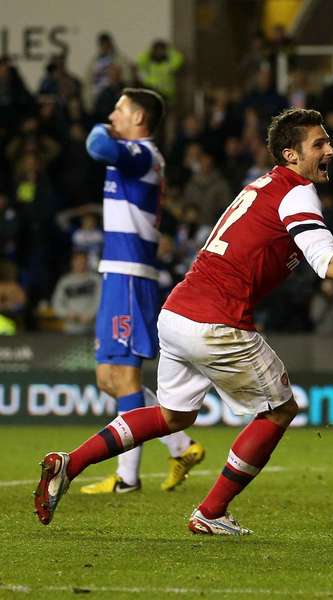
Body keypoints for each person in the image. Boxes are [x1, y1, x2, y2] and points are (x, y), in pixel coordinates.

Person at [34, 108, 333, 535]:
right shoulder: (296, 191)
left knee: (172, 417)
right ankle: (210, 512)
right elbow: (326, 263)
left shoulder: (260, 185)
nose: (330, 150)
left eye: (328, 141)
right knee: (281, 410)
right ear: (291, 154)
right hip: (216, 321)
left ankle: (69, 462)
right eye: (319, 144)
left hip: (178, 312)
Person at [79, 88, 204, 495]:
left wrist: (102, 127)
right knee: (107, 378)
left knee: (126, 376)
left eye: (118, 109)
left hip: (132, 276)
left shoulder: (146, 154)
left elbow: (96, 145)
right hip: (116, 272)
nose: (111, 115)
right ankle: (181, 446)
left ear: (138, 118)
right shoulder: (133, 152)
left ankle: (126, 478)